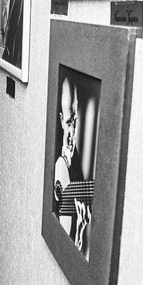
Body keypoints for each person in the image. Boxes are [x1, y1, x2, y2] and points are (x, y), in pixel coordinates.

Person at [53, 75, 93, 258]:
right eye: (69, 122)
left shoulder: (82, 162)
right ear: (62, 120)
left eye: (76, 121)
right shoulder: (60, 165)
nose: (72, 132)